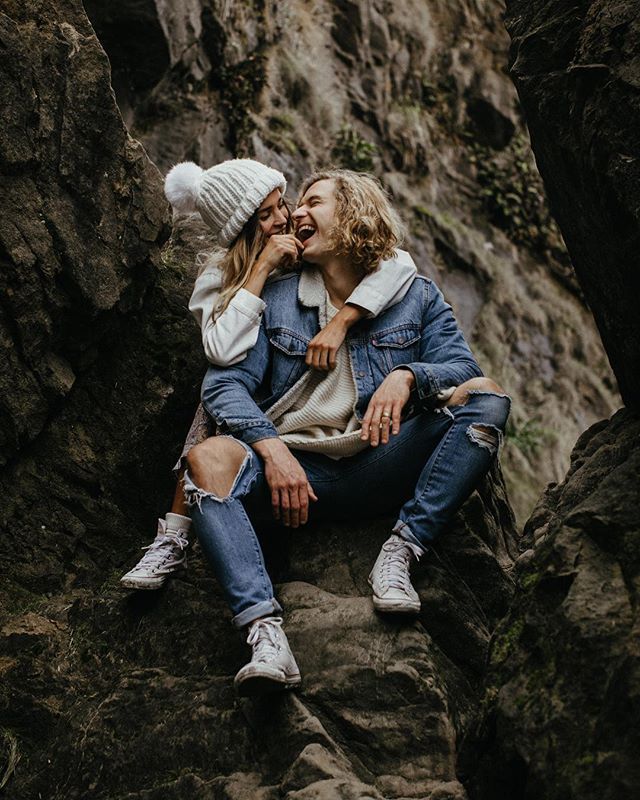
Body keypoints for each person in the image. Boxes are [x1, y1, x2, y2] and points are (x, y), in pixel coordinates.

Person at [183, 169, 511, 696]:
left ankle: (401, 552)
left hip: (382, 461)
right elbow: (223, 387)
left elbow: (460, 368)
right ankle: (265, 635)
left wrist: (408, 376)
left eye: (313, 202)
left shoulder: (415, 296)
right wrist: (270, 449)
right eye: (297, 205)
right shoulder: (278, 297)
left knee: (487, 396)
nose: (295, 214)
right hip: (291, 480)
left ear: (354, 212)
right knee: (210, 458)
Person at [120, 159, 419, 589]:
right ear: (242, 227)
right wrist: (260, 270)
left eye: (282, 204)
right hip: (251, 405)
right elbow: (221, 351)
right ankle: (173, 536)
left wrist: (342, 322)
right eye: (265, 215)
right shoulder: (217, 276)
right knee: (214, 396)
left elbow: (399, 264)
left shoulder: (308, 252)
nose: (283, 219)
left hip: (304, 392)